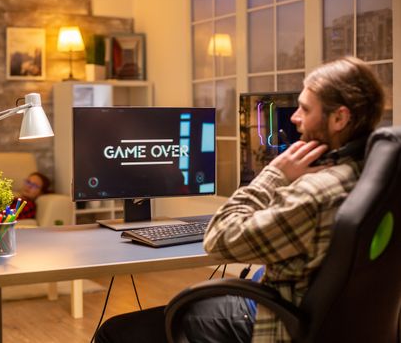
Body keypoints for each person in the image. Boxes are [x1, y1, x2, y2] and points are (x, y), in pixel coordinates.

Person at [94, 56, 385, 343]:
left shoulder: (316, 194)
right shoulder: (377, 178)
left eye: (305, 109)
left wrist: (273, 174)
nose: (294, 117)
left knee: (115, 330)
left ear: (339, 118)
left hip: (277, 324)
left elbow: (219, 239)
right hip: (339, 325)